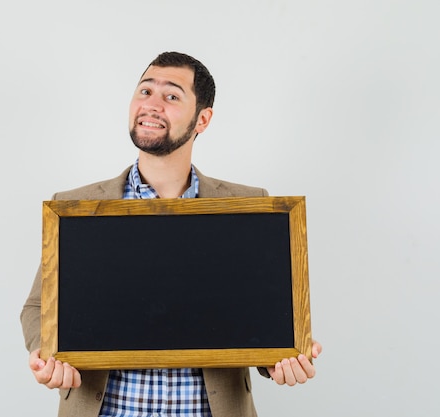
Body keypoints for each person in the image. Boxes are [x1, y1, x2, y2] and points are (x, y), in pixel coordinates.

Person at [21, 51, 322, 417]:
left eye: (172, 96)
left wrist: (280, 357)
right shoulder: (75, 207)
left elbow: (263, 317)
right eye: (145, 91)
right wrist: (45, 353)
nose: (152, 105)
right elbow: (38, 307)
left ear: (203, 119)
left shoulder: (249, 207)